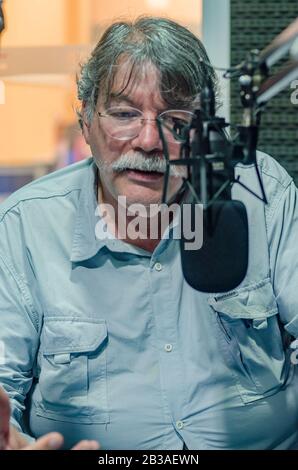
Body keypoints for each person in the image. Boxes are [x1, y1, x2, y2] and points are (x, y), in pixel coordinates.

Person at [0, 16, 298, 450]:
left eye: (175, 119)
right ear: (86, 121)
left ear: (205, 131)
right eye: (124, 114)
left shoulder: (261, 193)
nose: (148, 140)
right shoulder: (24, 226)